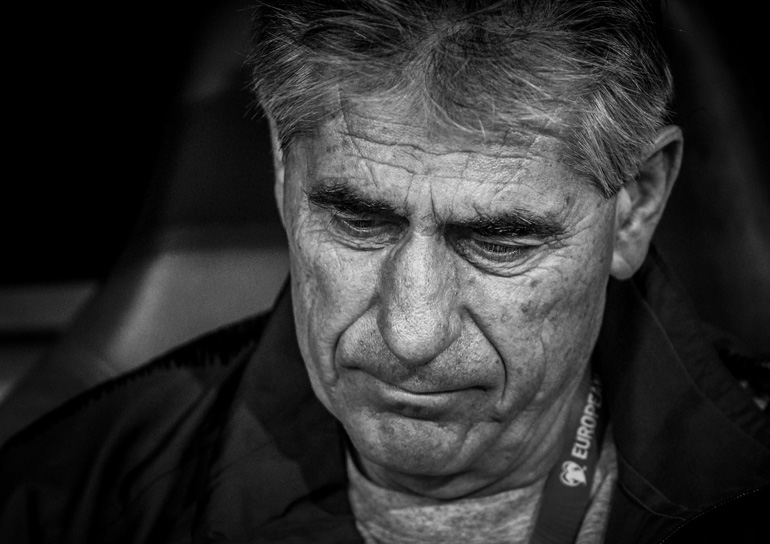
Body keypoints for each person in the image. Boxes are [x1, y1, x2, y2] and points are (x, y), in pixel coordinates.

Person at [1, 1, 768, 542]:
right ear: (282, 170)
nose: (412, 333)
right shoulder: (58, 508)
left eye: (499, 240)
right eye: (359, 220)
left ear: (636, 205)